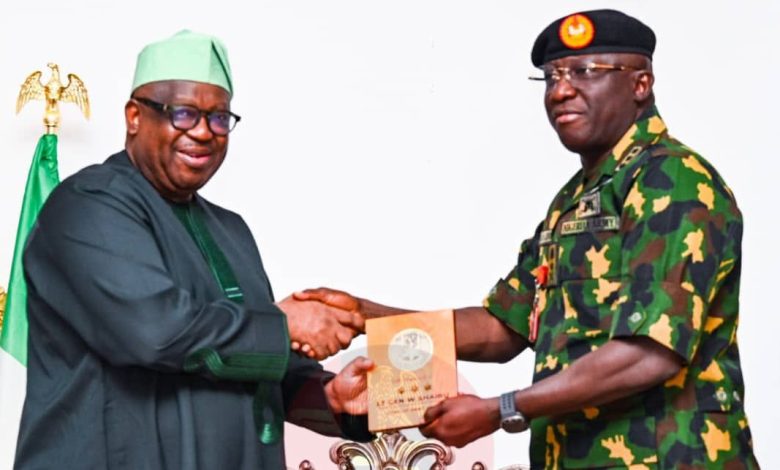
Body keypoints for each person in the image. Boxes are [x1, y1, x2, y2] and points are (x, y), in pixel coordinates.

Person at [295, 10, 759, 468]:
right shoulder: (576, 199)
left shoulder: (671, 181)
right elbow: (504, 327)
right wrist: (365, 316)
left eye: (586, 71)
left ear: (641, 84)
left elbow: (649, 353)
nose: (561, 90)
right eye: (552, 76)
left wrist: (500, 411)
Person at [14, 30, 372, 470]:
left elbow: (254, 366)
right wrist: (285, 325)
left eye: (219, 118)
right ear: (134, 116)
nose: (203, 132)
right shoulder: (87, 205)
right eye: (183, 114)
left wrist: (330, 396)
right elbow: (156, 331)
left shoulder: (231, 230)